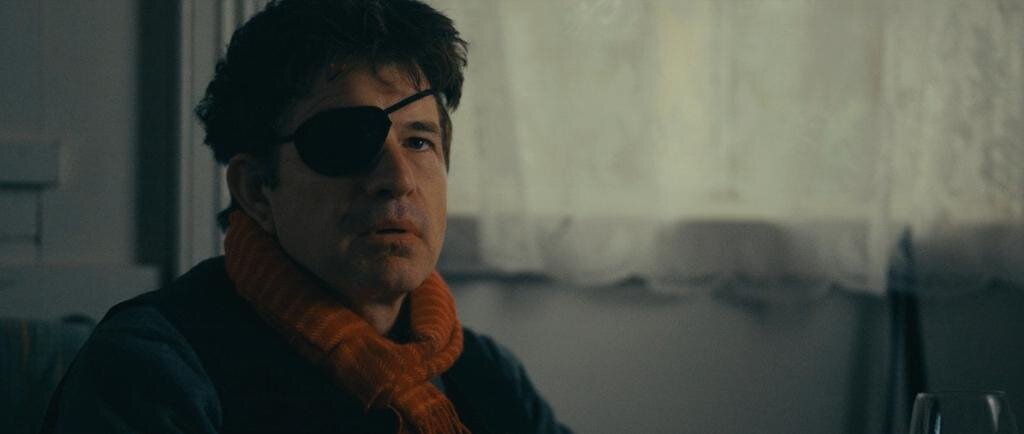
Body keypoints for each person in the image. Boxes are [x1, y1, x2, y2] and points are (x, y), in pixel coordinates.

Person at [42, 1, 571, 433]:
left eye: (418, 141)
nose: (399, 178)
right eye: (344, 141)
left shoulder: (484, 376)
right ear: (256, 190)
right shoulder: (156, 372)